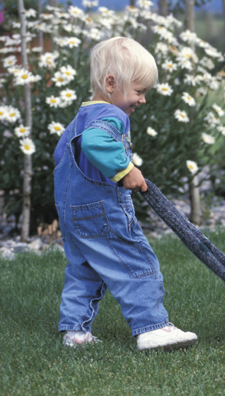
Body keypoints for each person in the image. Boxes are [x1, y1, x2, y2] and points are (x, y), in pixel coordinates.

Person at [53, 37, 197, 351]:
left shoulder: (81, 116)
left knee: (85, 269)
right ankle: (152, 327)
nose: (142, 100)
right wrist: (126, 169)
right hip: (101, 209)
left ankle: (75, 333)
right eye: (139, 91)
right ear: (111, 83)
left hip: (71, 211)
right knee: (136, 262)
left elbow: (61, 156)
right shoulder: (112, 115)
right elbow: (95, 143)